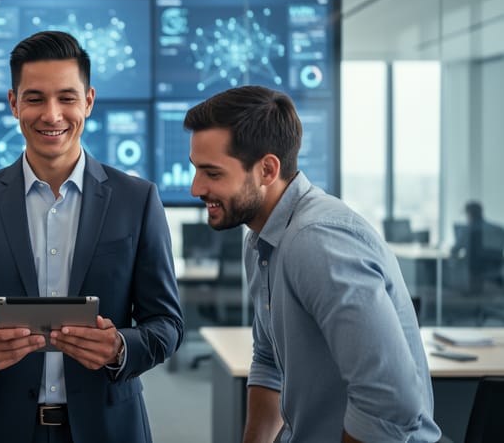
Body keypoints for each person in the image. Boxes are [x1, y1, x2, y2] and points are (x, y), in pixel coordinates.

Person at [0, 30, 183, 443]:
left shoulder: (136, 200)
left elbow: (168, 324)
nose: (52, 115)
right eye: (35, 98)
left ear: (89, 101)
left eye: (67, 98)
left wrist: (120, 348)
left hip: (109, 428)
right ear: (14, 103)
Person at [184, 86, 440, 443]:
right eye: (196, 170)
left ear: (267, 170)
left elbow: (389, 403)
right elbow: (269, 361)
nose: (195, 188)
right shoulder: (260, 241)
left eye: (212, 173)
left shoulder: (316, 240)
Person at [451, 200, 504, 292]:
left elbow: (455, 250)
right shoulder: (498, 229)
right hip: (495, 269)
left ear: (469, 214)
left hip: (473, 271)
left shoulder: (467, 230)